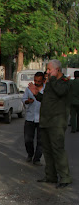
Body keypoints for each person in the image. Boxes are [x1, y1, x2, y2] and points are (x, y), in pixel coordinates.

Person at [28, 59, 72, 188]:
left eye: (49, 69)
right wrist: (36, 94)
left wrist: (51, 80)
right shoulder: (51, 83)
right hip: (46, 122)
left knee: (58, 149)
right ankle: (51, 175)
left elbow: (60, 92)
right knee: (47, 150)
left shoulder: (64, 82)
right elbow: (47, 100)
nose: (47, 72)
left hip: (57, 122)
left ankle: (65, 177)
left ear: (57, 70)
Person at [22, 72, 44, 164]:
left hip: (42, 118)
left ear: (43, 80)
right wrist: (28, 101)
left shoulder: (46, 89)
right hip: (30, 117)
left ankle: (37, 158)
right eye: (35, 80)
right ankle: (30, 154)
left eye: (39, 81)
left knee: (41, 141)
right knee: (28, 139)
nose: (37, 82)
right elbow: (23, 99)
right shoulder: (29, 89)